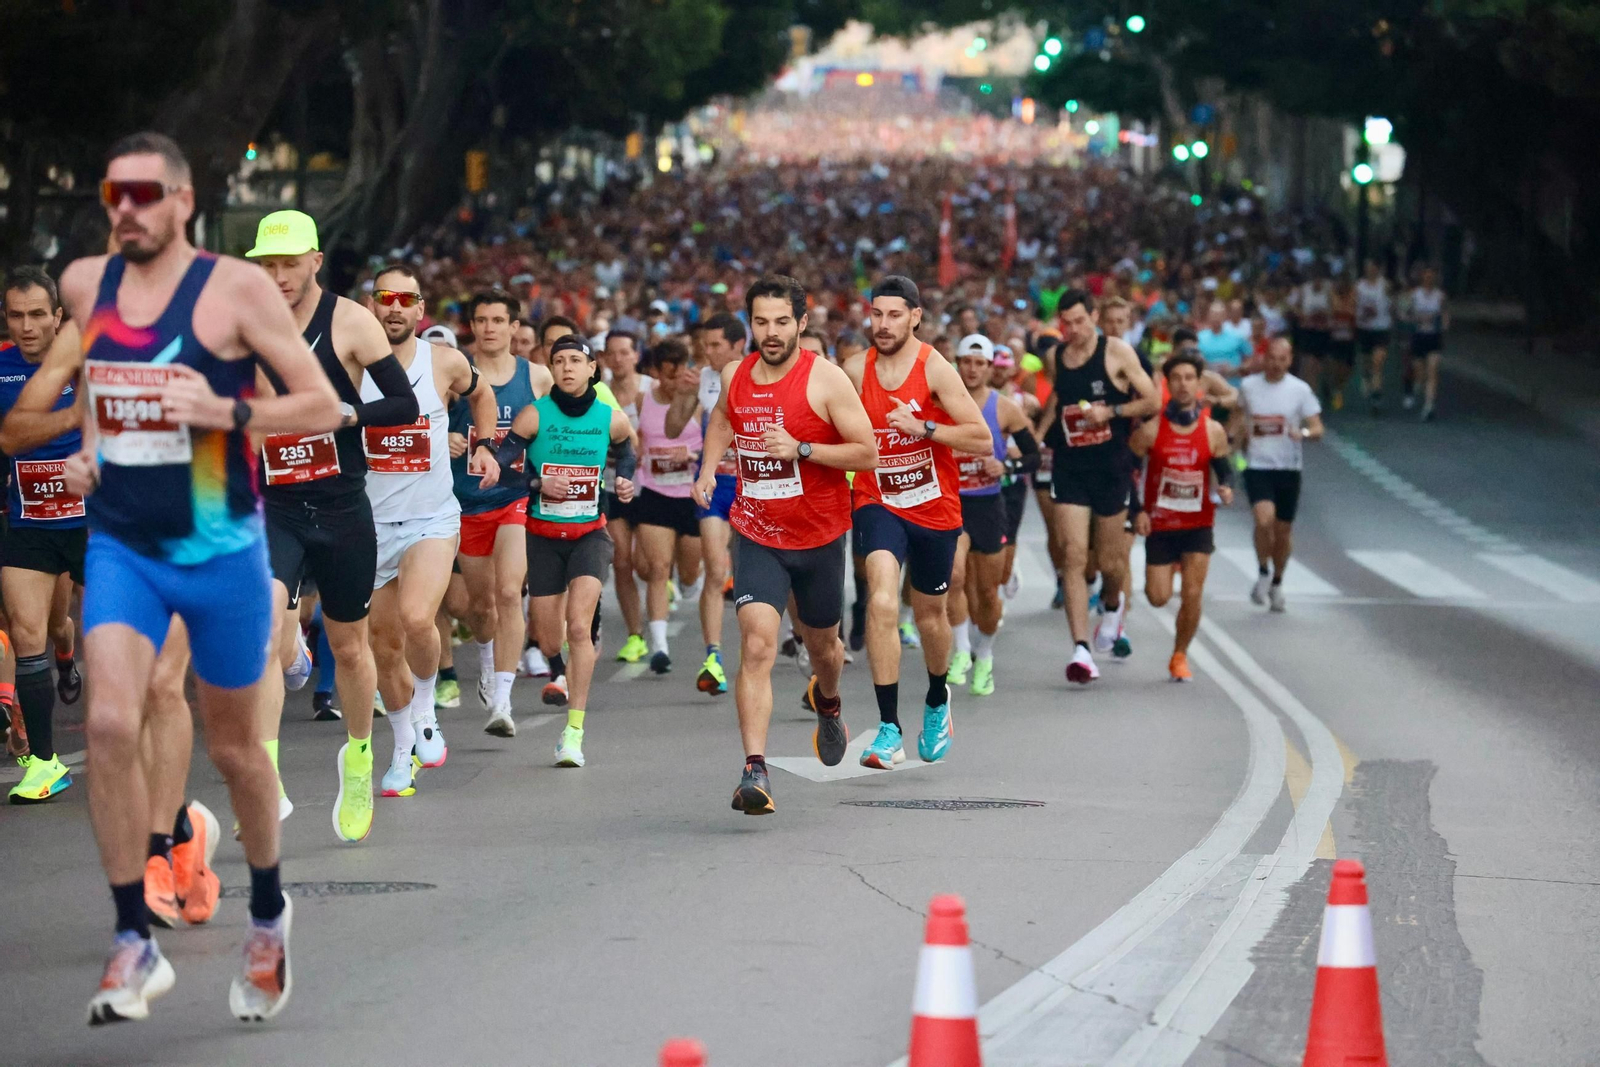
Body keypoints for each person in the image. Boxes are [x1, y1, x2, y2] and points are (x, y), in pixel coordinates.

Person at [5, 132, 341, 1024]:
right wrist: (86, 450)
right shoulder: (86, 284)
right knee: (112, 721)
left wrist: (225, 409)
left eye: (147, 194)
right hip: (123, 544)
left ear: (184, 201)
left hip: (219, 542)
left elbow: (323, 404)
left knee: (235, 751)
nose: (128, 208)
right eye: (116, 192)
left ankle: (268, 910)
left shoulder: (232, 289)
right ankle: (130, 939)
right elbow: (95, 394)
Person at [244, 210, 418, 844]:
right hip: (276, 505)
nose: (280, 276)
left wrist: (346, 414)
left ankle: (361, 757)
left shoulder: (351, 321)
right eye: (269, 265)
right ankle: (265, 781)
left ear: (315, 260)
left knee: (349, 646)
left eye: (290, 263)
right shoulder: (246, 326)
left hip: (343, 506)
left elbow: (402, 404)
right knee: (264, 625)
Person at [692, 275, 876, 815]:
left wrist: (802, 448)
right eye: (761, 322)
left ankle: (830, 701)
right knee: (756, 646)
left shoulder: (827, 380)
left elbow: (866, 452)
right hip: (756, 531)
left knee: (825, 651)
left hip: (818, 537)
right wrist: (708, 468)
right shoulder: (735, 374)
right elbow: (724, 417)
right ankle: (755, 769)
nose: (770, 333)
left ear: (801, 322)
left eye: (781, 322)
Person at [364, 263, 501, 797]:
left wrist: (485, 445)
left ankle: (425, 707)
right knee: (382, 642)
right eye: (384, 297)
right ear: (372, 305)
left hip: (431, 517)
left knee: (419, 616)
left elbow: (482, 396)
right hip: (370, 521)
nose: (394, 307)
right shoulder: (351, 364)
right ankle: (401, 754)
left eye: (405, 299)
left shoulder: (442, 361)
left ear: (420, 310)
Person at [845, 277, 991, 769]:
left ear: (915, 317)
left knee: (931, 615)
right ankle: (889, 728)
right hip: (877, 501)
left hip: (934, 507)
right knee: (882, 599)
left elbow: (980, 438)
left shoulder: (935, 369)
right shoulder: (853, 370)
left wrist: (925, 427)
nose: (882, 325)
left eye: (893, 315)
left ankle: (935, 699)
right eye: (876, 314)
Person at [498, 336, 638, 763]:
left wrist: (625, 478)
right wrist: (538, 484)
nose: (567, 368)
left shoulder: (608, 418)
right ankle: (559, 666)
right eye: (558, 361)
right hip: (542, 536)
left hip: (589, 534)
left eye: (576, 360)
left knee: (579, 627)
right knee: (547, 637)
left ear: (592, 369)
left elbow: (627, 450)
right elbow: (502, 466)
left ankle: (574, 732)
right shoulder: (534, 415)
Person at [0, 267, 85, 804]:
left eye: (37, 314)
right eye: (16, 316)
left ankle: (143, 746)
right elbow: (7, 441)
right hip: (30, 522)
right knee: (27, 634)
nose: (27, 326)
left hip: (94, 521)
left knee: (122, 634)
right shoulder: (2, 367)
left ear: (58, 316)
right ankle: (45, 764)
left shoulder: (89, 361)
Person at [1043, 290, 1158, 684]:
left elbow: (1152, 400)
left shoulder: (1118, 353)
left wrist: (1114, 411)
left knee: (1111, 564)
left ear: (1093, 316)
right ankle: (1080, 650)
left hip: (1112, 468)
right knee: (1073, 556)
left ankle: (1112, 606)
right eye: (1066, 323)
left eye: (1079, 321)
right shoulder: (1055, 357)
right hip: (1070, 466)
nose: (1073, 330)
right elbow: (1060, 401)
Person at [449, 290, 547, 736]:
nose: (488, 327)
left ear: (514, 328)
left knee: (510, 592)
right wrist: (443, 442)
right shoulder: (454, 375)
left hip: (515, 498)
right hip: (465, 503)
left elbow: (561, 421)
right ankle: (487, 659)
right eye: (481, 320)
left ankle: (503, 702)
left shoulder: (538, 377)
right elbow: (421, 423)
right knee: (479, 607)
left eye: (497, 320)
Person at [1130, 350, 1235, 682]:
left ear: (1199, 384)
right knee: (1158, 597)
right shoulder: (1150, 430)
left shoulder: (1213, 429)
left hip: (1197, 525)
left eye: (1189, 378)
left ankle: (1179, 655)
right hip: (1161, 524)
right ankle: (1169, 569)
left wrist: (1228, 487)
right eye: (1176, 378)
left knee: (1192, 594)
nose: (1183, 384)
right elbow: (1128, 471)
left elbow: (1224, 468)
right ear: (1168, 383)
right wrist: (1137, 511)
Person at [946, 334, 1038, 697]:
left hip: (988, 504)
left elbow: (1032, 455)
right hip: (953, 503)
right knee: (953, 576)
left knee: (987, 591)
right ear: (957, 363)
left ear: (988, 368)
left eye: (979, 363)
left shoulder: (1005, 408)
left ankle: (984, 653)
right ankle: (962, 650)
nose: (972, 369)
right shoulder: (942, 403)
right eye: (966, 361)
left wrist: (1006, 465)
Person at [665, 312, 745, 695]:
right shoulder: (702, 377)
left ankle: (800, 643)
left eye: (715, 346)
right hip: (715, 483)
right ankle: (713, 657)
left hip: (756, 484)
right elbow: (672, 428)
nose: (707, 353)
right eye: (705, 346)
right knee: (715, 571)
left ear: (737, 346)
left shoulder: (758, 372)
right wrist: (683, 394)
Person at [630, 338, 703, 676]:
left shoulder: (698, 402)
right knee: (659, 569)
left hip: (691, 495)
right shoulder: (643, 398)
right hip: (655, 492)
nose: (675, 383)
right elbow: (638, 440)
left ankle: (690, 582)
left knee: (688, 573)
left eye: (680, 374)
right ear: (655, 373)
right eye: (668, 376)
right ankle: (659, 646)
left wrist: (693, 456)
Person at [1238, 337, 1325, 611]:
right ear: (1264, 357)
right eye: (1272, 358)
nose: (1276, 364)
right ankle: (1263, 571)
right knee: (1264, 521)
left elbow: (1317, 428)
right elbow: (1240, 419)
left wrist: (1305, 433)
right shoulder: (1249, 386)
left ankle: (1277, 581)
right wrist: (1232, 446)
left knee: (1283, 531)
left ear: (1290, 360)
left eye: (1282, 359)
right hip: (1257, 465)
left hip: (1288, 467)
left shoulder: (1300, 390)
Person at [601, 330, 648, 663]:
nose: (618, 359)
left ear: (636, 355)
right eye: (612, 353)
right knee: (621, 562)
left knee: (648, 565)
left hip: (649, 487)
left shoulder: (652, 390)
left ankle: (665, 580)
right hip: (610, 485)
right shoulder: (596, 394)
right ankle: (636, 635)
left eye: (624, 352)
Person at [1404, 266, 1448, 420]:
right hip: (1419, 336)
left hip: (1433, 337)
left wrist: (1444, 324)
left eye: (1431, 276)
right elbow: (1407, 313)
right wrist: (1416, 319)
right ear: (1422, 278)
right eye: (1426, 276)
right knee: (1420, 373)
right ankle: (1417, 385)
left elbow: (1444, 313)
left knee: (1433, 371)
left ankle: (1429, 405)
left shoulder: (1440, 296)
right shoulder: (1415, 295)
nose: (1429, 279)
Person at [1355, 261, 1393, 413]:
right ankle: (1365, 376)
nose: (1370, 270)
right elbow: (1354, 303)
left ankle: (1376, 397)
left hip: (1381, 328)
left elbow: (1393, 302)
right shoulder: (1359, 286)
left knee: (1378, 362)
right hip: (1364, 328)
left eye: (1373, 268)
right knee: (1366, 360)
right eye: (1368, 268)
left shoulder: (1385, 285)